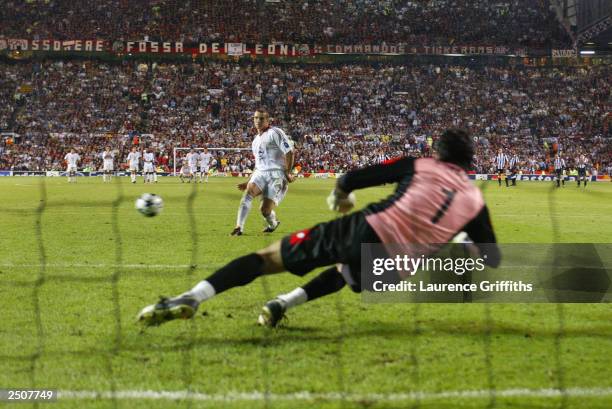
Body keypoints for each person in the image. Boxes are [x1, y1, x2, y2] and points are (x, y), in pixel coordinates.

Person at [137, 128, 501, 327]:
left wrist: (342, 196)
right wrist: (466, 240)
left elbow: (353, 178)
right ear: (469, 163)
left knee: (267, 258)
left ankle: (193, 297)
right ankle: (282, 304)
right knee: (345, 273)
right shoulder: (475, 201)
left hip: (366, 229)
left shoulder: (420, 165)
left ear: (438, 153)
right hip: (396, 267)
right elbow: (494, 258)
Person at [230, 108, 295, 236]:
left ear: (267, 120)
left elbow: (290, 151)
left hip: (276, 174)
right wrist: (248, 181)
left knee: (264, 211)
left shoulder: (274, 132)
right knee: (247, 194)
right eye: (256, 118)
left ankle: (273, 223)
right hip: (260, 173)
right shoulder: (255, 141)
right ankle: (239, 227)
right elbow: (258, 165)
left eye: (261, 118)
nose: (258, 121)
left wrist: (287, 172)